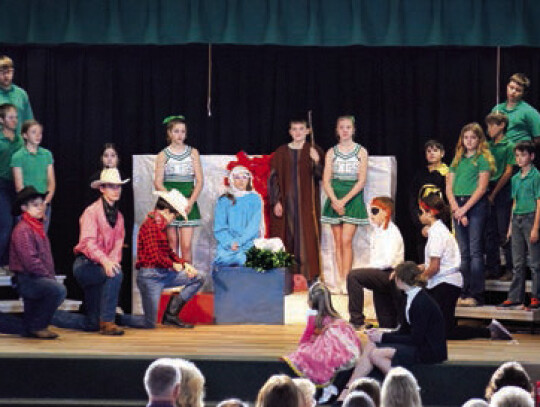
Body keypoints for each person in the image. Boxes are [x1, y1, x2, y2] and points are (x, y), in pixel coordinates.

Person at [418, 194, 512, 340]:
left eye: (421, 212)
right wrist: (419, 268)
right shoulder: (437, 231)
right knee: (440, 327)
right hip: (443, 283)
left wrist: (418, 279)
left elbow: (435, 267)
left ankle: (489, 332)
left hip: (445, 284)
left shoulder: (437, 234)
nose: (419, 216)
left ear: (429, 213)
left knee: (445, 331)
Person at [343, 262, 446, 391]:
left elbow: (416, 339)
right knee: (371, 345)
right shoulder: (407, 297)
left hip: (429, 350)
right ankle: (348, 389)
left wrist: (383, 338)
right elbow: (404, 330)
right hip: (418, 343)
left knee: (375, 355)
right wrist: (381, 335)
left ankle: (408, 388)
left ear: (400, 279)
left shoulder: (421, 302)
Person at [52, 168, 128, 335]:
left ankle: (49, 315)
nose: (116, 190)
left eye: (118, 186)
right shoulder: (91, 212)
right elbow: (87, 243)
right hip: (85, 265)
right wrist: (106, 262)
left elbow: (118, 243)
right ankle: (108, 321)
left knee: (92, 323)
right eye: (111, 186)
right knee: (116, 274)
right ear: (102, 189)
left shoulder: (119, 217)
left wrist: (112, 261)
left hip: (100, 266)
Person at [120, 189, 205, 329]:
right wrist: (173, 264)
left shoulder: (160, 227)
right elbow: (155, 257)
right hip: (150, 277)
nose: (174, 219)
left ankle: (171, 315)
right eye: (174, 215)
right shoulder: (150, 226)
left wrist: (184, 264)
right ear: (166, 211)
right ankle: (115, 318)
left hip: (163, 273)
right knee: (149, 323)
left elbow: (167, 251)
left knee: (199, 277)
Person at [268, 118, 324, 283]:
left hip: (307, 204)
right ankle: (286, 276)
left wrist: (317, 161)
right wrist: (276, 201)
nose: (298, 132)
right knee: (287, 235)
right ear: (290, 132)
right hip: (286, 203)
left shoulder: (313, 150)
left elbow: (320, 176)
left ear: (308, 131)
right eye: (294, 129)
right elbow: (273, 178)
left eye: (301, 129)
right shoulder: (281, 152)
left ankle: (310, 276)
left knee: (307, 237)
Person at [446, 122, 495, 306]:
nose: (469, 141)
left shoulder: (482, 158)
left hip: (474, 205)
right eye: (466, 137)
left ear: (479, 139)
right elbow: (449, 186)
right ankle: (463, 292)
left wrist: (464, 209)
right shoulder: (458, 159)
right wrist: (455, 208)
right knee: (463, 252)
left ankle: (476, 294)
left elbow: (482, 188)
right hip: (457, 205)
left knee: (475, 251)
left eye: (473, 137)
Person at [282, 283, 361, 397]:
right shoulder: (335, 316)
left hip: (332, 345)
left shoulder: (313, 315)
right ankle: (330, 386)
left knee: (306, 355)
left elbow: (307, 334)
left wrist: (302, 345)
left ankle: (327, 387)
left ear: (311, 301)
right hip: (347, 348)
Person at [9, 186, 65, 339]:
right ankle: (38, 326)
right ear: (24, 208)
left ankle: (33, 326)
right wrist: (48, 276)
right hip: (28, 278)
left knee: (25, 324)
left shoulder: (36, 228)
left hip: (34, 277)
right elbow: (30, 261)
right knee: (58, 290)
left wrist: (48, 275)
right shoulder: (23, 230)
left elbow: (44, 258)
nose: (40, 208)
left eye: (41, 204)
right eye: (35, 205)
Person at [322, 116, 369, 293]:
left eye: (348, 127)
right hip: (335, 196)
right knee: (337, 242)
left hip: (352, 197)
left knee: (346, 240)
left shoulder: (361, 151)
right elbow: (326, 180)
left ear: (353, 130)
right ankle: (341, 281)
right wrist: (334, 200)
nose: (345, 130)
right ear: (337, 130)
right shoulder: (331, 152)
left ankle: (349, 280)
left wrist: (344, 201)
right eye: (341, 127)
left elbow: (361, 180)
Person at [347, 197, 404, 329]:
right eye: (370, 211)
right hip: (380, 273)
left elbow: (388, 261)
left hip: (390, 274)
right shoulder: (378, 231)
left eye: (374, 211)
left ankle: (356, 321)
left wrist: (368, 270)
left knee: (353, 276)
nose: (371, 215)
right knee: (386, 324)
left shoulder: (392, 233)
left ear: (386, 212)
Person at [154, 115, 203, 262]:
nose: (180, 135)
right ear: (169, 133)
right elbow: (158, 182)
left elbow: (200, 181)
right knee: (171, 243)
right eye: (176, 131)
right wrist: (173, 202)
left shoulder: (193, 152)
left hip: (188, 202)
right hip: (170, 204)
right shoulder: (163, 155)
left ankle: (188, 281)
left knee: (186, 245)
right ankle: (173, 281)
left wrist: (190, 201)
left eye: (183, 131)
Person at [499, 141, 540, 309]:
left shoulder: (536, 176)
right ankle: (515, 296)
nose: (519, 158)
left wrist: (536, 227)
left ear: (531, 156)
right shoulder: (515, 178)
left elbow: (539, 202)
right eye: (517, 155)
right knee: (518, 262)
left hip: (530, 218)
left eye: (523, 155)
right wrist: (510, 225)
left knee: (535, 263)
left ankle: (536, 297)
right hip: (517, 219)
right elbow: (514, 202)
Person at [484, 112, 515, 280]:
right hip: (487, 187)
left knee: (504, 231)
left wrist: (494, 193)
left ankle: (510, 269)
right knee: (489, 232)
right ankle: (492, 267)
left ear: (501, 125)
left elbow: (509, 171)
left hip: (502, 190)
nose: (489, 129)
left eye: (491, 125)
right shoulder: (487, 146)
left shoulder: (509, 145)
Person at [11, 119, 56, 232]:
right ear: (25, 135)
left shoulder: (46, 154)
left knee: (41, 237)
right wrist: (33, 206)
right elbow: (19, 187)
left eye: (40, 133)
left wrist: (44, 203)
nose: (38, 136)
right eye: (33, 132)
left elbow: (51, 182)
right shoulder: (18, 157)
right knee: (26, 237)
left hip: (44, 203)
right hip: (27, 206)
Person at [408, 140, 448, 262]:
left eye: (435, 150)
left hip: (441, 221)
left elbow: (448, 200)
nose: (432, 153)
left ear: (442, 153)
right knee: (423, 254)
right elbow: (413, 199)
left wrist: (437, 223)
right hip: (422, 222)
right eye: (428, 151)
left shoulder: (447, 173)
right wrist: (420, 223)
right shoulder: (420, 174)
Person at [213, 166, 262, 266]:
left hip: (249, 243)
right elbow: (220, 227)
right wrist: (230, 242)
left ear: (249, 180)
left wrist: (239, 242)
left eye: (244, 177)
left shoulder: (255, 199)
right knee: (223, 260)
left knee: (245, 259)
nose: (241, 181)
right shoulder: (224, 200)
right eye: (237, 178)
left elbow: (254, 226)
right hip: (228, 246)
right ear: (231, 179)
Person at [0, 103, 23, 271]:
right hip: (2, 185)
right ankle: (1, 262)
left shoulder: (20, 140)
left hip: (18, 186)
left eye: (16, 117)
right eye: (10, 117)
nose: (14, 120)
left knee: (19, 225)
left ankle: (14, 264)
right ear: (1, 120)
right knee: (6, 225)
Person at [491, 73, 540, 145]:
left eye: (518, 90)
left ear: (523, 93)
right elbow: (491, 132)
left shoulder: (530, 111)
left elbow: (538, 138)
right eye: (511, 87)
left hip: (519, 153)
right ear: (507, 87)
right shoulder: (497, 109)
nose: (513, 92)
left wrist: (525, 149)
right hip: (499, 151)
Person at [0, 56, 33, 135]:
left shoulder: (21, 94)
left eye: (9, 71)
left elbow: (29, 122)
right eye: (1, 72)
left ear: (13, 72)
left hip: (19, 144)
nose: (6, 75)